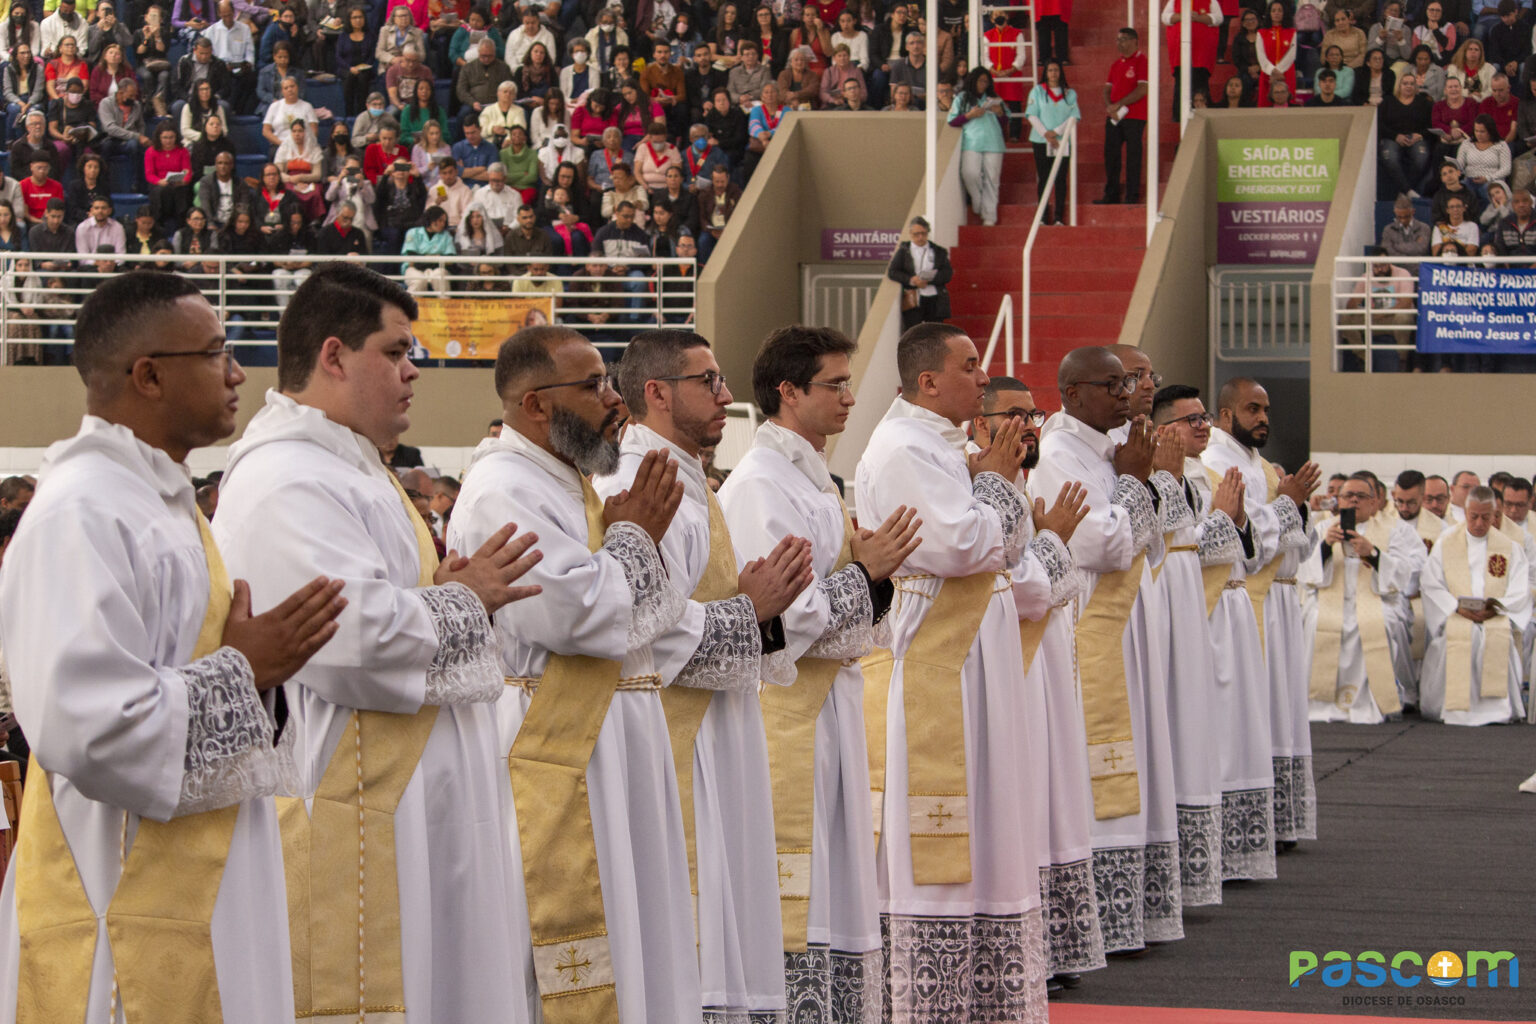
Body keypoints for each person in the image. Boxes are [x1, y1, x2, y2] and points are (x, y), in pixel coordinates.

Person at [0, 271, 347, 1024]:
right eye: (216, 353)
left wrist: (253, 676)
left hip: (213, 865)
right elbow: (83, 725)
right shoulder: (83, 510)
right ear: (148, 375)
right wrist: (246, 669)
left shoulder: (159, 499)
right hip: (119, 885)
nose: (237, 374)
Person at [211, 263, 544, 1024]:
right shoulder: (286, 477)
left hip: (419, 798)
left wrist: (445, 593)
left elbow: (394, 609)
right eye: (395, 352)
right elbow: (349, 634)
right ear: (333, 357)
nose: (413, 370)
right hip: (360, 808)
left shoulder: (351, 468)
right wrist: (465, 599)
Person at [446, 325, 703, 1023]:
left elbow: (654, 603)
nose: (613, 400)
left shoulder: (567, 482)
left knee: (638, 943)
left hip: (613, 743)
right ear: (536, 406)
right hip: (555, 751)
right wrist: (633, 537)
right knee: (571, 960)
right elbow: (574, 614)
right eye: (593, 385)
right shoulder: (502, 486)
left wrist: (629, 539)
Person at [595, 329, 814, 1024]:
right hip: (672, 743)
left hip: (717, 736)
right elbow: (644, 634)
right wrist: (751, 613)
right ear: (656, 394)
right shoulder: (642, 487)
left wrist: (756, 612)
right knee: (691, 934)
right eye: (707, 382)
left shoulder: (687, 480)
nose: (726, 396)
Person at [717, 325, 918, 1020]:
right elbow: (781, 620)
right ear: (788, 391)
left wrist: (870, 578)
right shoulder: (760, 485)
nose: (848, 396)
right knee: (797, 896)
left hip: (829, 709)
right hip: (789, 718)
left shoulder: (810, 478)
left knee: (836, 887)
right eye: (834, 384)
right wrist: (866, 574)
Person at [854, 322, 1050, 1021]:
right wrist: (997, 486)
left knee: (989, 806)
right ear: (927, 381)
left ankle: (978, 986)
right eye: (970, 367)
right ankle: (932, 995)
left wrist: (995, 494)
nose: (983, 376)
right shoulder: (906, 448)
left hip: (972, 645)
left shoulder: (944, 446)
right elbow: (963, 546)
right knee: (944, 815)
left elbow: (1009, 544)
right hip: (940, 647)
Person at [1032, 345, 1187, 953]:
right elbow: (1101, 545)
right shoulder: (1060, 452)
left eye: (1131, 384)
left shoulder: (1114, 446)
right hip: (1087, 620)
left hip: (1124, 617)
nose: (1127, 395)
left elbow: (1148, 539)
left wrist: (1132, 484)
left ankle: (1129, 910)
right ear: (1072, 394)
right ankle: (1094, 916)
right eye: (1113, 385)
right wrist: (1133, 482)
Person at [1154, 385, 1278, 885]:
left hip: (1229, 604)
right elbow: (1178, 550)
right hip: (1195, 612)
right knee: (1208, 731)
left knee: (1235, 727)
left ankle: (1231, 844)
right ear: (1164, 430)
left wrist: (1236, 520)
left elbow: (1246, 553)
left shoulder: (1204, 478)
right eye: (1191, 420)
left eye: (1205, 418)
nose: (1204, 427)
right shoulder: (1168, 479)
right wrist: (1229, 520)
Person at [1203, 378, 1322, 849]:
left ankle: (1275, 819)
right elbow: (1248, 545)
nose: (1264, 418)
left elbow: (1298, 542)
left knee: (1280, 711)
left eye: (1266, 410)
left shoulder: (1259, 466)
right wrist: (1287, 504)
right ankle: (1246, 827)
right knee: (1249, 716)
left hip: (1281, 601)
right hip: (1248, 599)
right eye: (1253, 409)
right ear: (1226, 415)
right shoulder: (1217, 465)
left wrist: (1295, 506)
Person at [1299, 472, 1422, 723]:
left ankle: (1372, 700)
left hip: (1375, 600)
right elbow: (1304, 570)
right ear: (1339, 501)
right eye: (1348, 496)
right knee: (1313, 622)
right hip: (1329, 599)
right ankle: (1320, 702)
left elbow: (1401, 574)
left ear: (1375, 502)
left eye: (1361, 496)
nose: (1354, 501)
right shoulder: (1322, 528)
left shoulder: (1391, 531)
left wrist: (1374, 554)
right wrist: (1325, 546)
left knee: (1384, 623)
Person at [1420, 485, 1531, 723]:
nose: (1480, 523)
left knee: (1492, 637)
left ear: (1495, 515)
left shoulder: (1510, 548)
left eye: (1486, 517)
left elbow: (1520, 590)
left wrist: (1496, 606)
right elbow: (1431, 584)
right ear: (1466, 511)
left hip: (1494, 616)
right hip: (1458, 614)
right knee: (1466, 635)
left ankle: (1496, 710)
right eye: (1474, 516)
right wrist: (1456, 607)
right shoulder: (1446, 543)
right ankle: (1456, 707)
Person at [949, 67, 1006, 227]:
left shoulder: (995, 98)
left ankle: (989, 216)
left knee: (992, 179)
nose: (984, 85)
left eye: (987, 82)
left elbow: (1005, 122)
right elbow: (952, 121)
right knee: (969, 173)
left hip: (994, 142)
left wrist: (999, 113)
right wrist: (969, 115)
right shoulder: (962, 98)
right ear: (973, 80)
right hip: (971, 141)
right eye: (981, 81)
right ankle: (978, 200)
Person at [1098, 27, 1148, 205]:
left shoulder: (1142, 61)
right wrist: (1110, 106)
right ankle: (1111, 194)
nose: (1120, 43)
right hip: (1114, 116)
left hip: (1135, 116)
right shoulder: (1116, 64)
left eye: (1124, 39)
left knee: (1133, 156)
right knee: (1111, 154)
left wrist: (1120, 104)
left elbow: (1143, 89)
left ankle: (1131, 195)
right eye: (1118, 39)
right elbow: (1107, 88)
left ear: (1135, 41)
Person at [1025, 59, 1077, 226]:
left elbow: (1074, 116)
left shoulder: (1070, 94)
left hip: (1062, 141)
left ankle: (1059, 217)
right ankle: (1042, 216)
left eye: (1056, 70)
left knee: (1061, 178)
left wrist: (1057, 132)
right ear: (1045, 73)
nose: (1053, 73)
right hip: (1040, 140)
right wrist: (1046, 133)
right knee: (1044, 178)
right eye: (1050, 70)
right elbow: (1032, 114)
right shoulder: (1037, 92)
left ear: (1061, 72)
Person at [885, 215, 951, 330]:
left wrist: (930, 280)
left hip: (934, 297)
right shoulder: (904, 251)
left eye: (923, 234)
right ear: (911, 234)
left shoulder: (938, 251)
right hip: (913, 298)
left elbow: (947, 273)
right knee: (913, 331)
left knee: (935, 332)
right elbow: (893, 272)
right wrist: (911, 280)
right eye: (916, 234)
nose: (920, 237)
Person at [1378, 72, 1434, 198]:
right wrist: (1395, 136)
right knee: (1390, 158)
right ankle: (1408, 191)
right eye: (1405, 83)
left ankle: (1403, 191)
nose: (1408, 86)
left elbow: (1431, 124)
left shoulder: (1424, 103)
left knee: (1421, 158)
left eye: (1411, 84)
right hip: (1392, 137)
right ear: (1399, 86)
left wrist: (1420, 135)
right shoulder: (1388, 101)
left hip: (1417, 138)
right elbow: (1379, 124)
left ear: (1416, 87)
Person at [1162, 0, 1222, 115]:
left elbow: (1219, 18)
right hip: (1180, 51)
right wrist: (1182, 16)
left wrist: (1198, 18)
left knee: (1201, 80)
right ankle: (1179, 116)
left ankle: (1203, 113)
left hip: (1201, 51)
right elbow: (1165, 17)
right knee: (1181, 82)